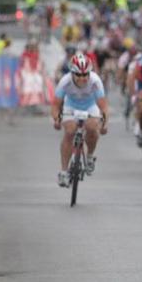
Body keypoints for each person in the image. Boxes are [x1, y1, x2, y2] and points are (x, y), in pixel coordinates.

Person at [51, 53, 109, 187]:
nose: (82, 78)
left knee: (92, 128)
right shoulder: (65, 82)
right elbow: (55, 106)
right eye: (78, 75)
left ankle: (90, 156)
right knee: (70, 131)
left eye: (85, 74)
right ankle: (64, 172)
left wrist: (105, 123)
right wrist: (57, 119)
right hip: (70, 107)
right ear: (72, 73)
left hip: (90, 106)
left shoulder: (95, 81)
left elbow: (103, 106)